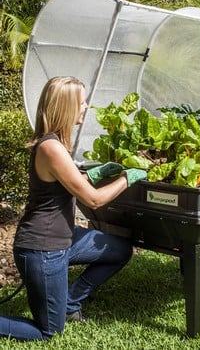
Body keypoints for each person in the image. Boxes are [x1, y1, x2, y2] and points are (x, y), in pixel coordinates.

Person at [0, 76, 147, 341]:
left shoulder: (55, 144)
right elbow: (93, 200)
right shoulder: (51, 148)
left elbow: (68, 183)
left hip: (65, 239)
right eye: (82, 101)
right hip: (43, 249)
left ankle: (69, 302)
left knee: (120, 249)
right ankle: (57, 312)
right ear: (66, 106)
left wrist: (96, 173)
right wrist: (127, 179)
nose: (86, 106)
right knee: (49, 332)